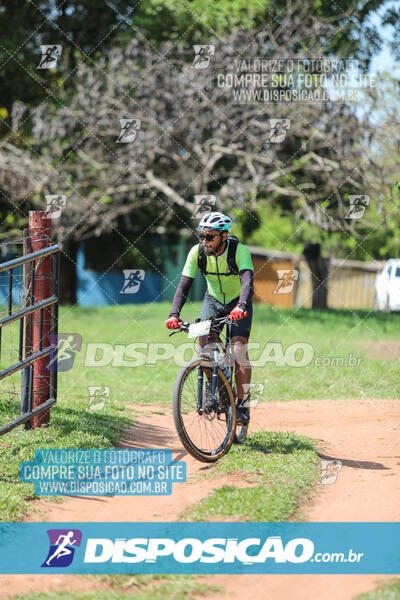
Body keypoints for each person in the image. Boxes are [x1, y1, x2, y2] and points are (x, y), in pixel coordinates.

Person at [165, 212, 254, 424]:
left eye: (210, 237)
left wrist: (241, 305)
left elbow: (247, 283)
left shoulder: (239, 251)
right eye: (202, 236)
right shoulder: (197, 253)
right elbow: (184, 286)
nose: (204, 241)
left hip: (237, 302)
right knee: (204, 345)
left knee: (239, 350)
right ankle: (218, 387)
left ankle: (242, 406)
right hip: (213, 300)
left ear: (224, 236)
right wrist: (174, 314)